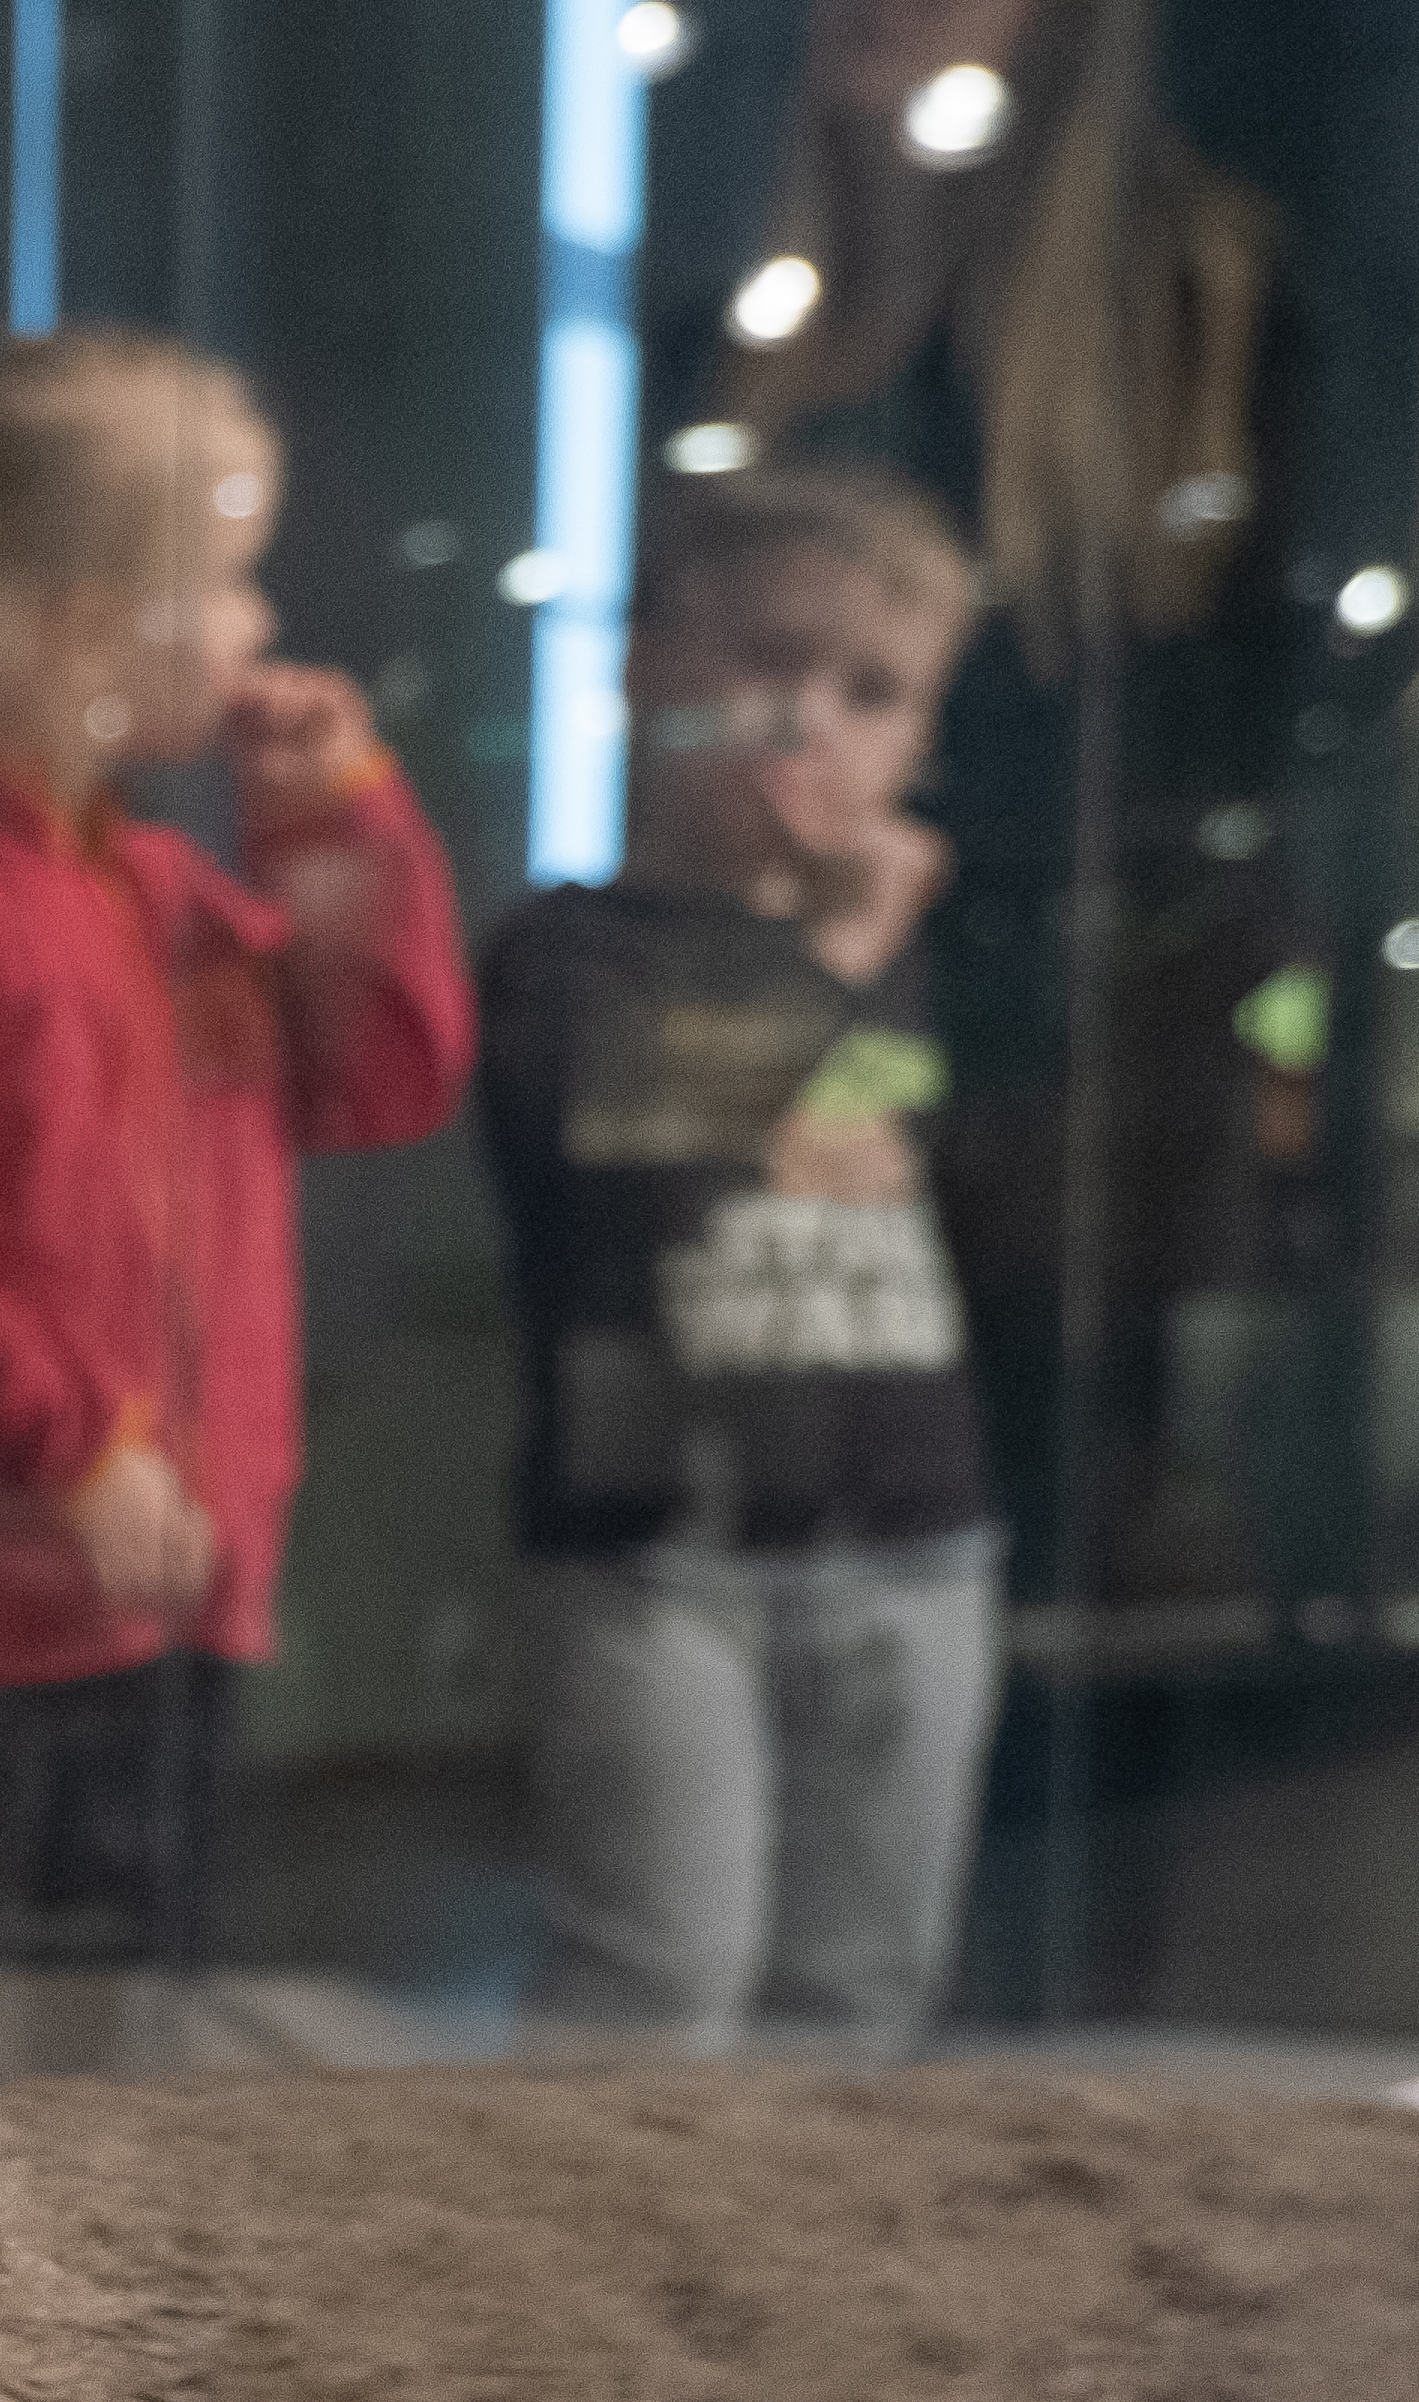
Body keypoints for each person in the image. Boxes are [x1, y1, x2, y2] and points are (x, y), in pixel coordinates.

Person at [0, 328, 469, 2000]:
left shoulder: (165, 891)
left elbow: (384, 1073)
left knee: (118, 2056)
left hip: (162, 1592)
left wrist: (339, 828)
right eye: (226, 580)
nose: (258, 628)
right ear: (74, 621)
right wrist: (67, 1440)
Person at [481, 467, 993, 2059]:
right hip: (658, 1553)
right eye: (771, 661)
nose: (811, 723)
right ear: (648, 667)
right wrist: (831, 958)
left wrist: (838, 988)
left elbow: (872, 1171)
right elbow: (644, 1167)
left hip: (913, 1534)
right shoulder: (573, 952)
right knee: (655, 1992)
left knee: (860, 1996)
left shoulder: (889, 968)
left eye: (872, 693)